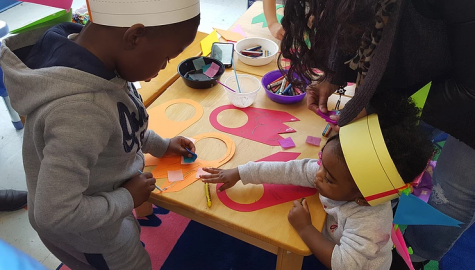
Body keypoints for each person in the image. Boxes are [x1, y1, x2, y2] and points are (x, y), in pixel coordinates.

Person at [0, 0, 201, 269]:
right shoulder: (80, 111)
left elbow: (122, 127)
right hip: (90, 235)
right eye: (166, 57)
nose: (164, 66)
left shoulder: (104, 62)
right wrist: (127, 199)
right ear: (134, 36)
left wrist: (161, 145)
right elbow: (55, 214)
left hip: (106, 205)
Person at [278, 0, 475, 267]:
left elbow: (469, 89)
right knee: (398, 149)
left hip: (468, 87)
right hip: (445, 72)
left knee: (452, 191)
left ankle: (417, 254)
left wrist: (388, 109)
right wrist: (335, 72)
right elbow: (359, 21)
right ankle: (387, 202)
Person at [201, 96, 434, 270]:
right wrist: (241, 172)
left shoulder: (370, 223)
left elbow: (343, 263)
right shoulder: (340, 172)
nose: (318, 174)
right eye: (322, 162)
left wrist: (305, 229)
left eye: (329, 178)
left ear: (361, 197)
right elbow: (294, 169)